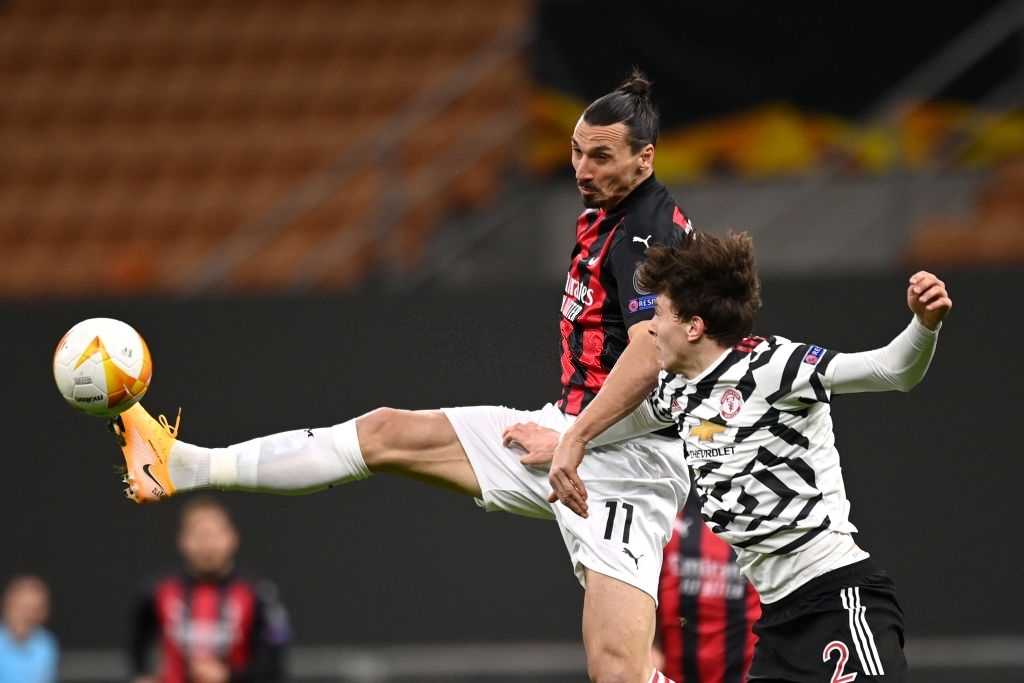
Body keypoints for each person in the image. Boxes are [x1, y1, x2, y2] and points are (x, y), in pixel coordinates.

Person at [105, 69, 692, 683]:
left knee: (618, 675)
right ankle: (180, 464)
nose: (582, 168)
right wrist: (568, 433)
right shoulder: (609, 209)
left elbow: (652, 360)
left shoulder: (649, 235)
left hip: (629, 467)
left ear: (644, 159)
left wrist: (575, 438)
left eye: (601, 156)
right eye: (576, 150)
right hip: (573, 433)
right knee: (385, 432)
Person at [538, 230, 951, 681]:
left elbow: (891, 371)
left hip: (838, 600)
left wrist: (924, 325)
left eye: (658, 313)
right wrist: (566, 439)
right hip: (777, 625)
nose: (650, 327)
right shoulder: (677, 392)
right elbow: (616, 423)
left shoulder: (775, 366)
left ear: (694, 326)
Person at [129, 495, 291, 683]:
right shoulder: (157, 590)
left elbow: (275, 661)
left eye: (214, 535)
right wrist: (143, 675)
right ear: (183, 541)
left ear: (232, 538)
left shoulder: (259, 592)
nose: (207, 546)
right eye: (199, 536)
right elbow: (136, 645)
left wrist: (229, 675)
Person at [653, 492, 759, 683]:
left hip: (747, 673)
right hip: (674, 673)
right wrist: (648, 647)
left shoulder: (761, 512)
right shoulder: (668, 505)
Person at [0, 574, 59, 683]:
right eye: (22, 608)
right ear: (6, 605)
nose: (28, 615)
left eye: (35, 609)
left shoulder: (46, 644)